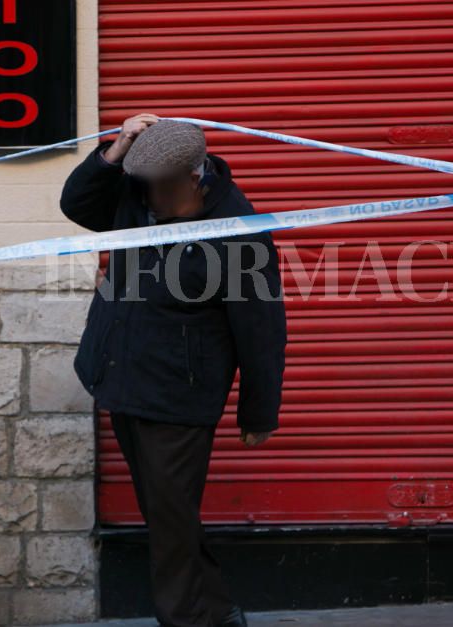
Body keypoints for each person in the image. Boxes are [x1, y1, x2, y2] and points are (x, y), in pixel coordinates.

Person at [60, 114, 287, 627]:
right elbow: (76, 205)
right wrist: (115, 150)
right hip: (120, 375)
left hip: (180, 395)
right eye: (145, 185)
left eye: (162, 187)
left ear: (194, 175)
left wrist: (258, 413)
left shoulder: (238, 233)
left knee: (169, 519)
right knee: (169, 513)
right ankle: (215, 606)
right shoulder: (134, 196)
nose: (152, 196)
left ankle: (188, 617)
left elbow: (261, 329)